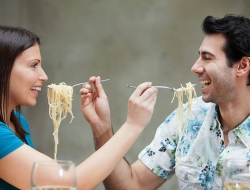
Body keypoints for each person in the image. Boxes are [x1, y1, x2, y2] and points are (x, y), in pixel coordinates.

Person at [82, 14, 250, 189]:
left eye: (207, 58)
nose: (195, 67)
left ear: (242, 66)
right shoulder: (188, 118)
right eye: (199, 56)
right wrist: (102, 127)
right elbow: (134, 184)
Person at [0, 25, 158, 190]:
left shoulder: (19, 122)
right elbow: (63, 185)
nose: (44, 76)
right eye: (33, 65)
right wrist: (133, 125)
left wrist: (101, 126)